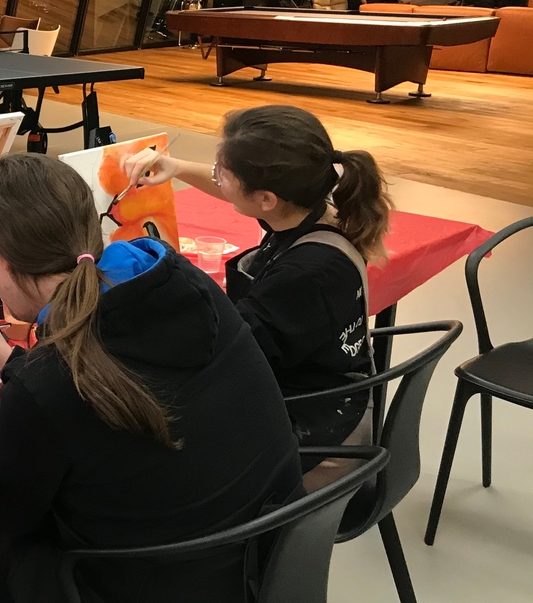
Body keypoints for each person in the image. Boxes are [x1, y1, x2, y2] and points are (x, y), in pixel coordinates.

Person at [0, 154, 302, 603]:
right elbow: (102, 395)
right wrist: (17, 363)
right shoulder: (183, 283)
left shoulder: (48, 385)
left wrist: (25, 379)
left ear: (1, 259)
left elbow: (15, 515)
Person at [123, 104, 390, 450]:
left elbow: (224, 353)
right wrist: (176, 168)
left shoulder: (306, 274)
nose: (217, 176)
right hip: (308, 383)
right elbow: (246, 193)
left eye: (223, 173)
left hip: (314, 431)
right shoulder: (311, 201)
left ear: (266, 198)